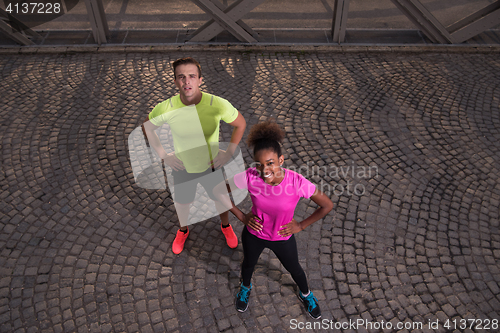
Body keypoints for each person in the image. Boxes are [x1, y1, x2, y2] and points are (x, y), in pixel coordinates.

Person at [213, 121, 334, 319]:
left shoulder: (296, 182)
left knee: (295, 269)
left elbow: (327, 205)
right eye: (259, 164)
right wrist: (241, 216)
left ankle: (306, 294)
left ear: (281, 160)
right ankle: (245, 287)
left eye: (270, 163)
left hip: (282, 237)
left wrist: (301, 225)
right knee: (248, 265)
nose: (264, 170)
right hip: (254, 235)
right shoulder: (251, 177)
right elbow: (218, 190)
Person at [143, 57, 246, 254]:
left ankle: (225, 226)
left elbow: (240, 124)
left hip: (212, 164)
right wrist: (164, 155)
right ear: (175, 81)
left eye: (191, 76)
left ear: (200, 80)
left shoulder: (217, 104)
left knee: (220, 200)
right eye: (181, 77)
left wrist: (230, 152)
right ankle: (183, 230)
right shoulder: (167, 107)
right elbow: (147, 127)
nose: (186, 81)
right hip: (182, 166)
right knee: (182, 203)